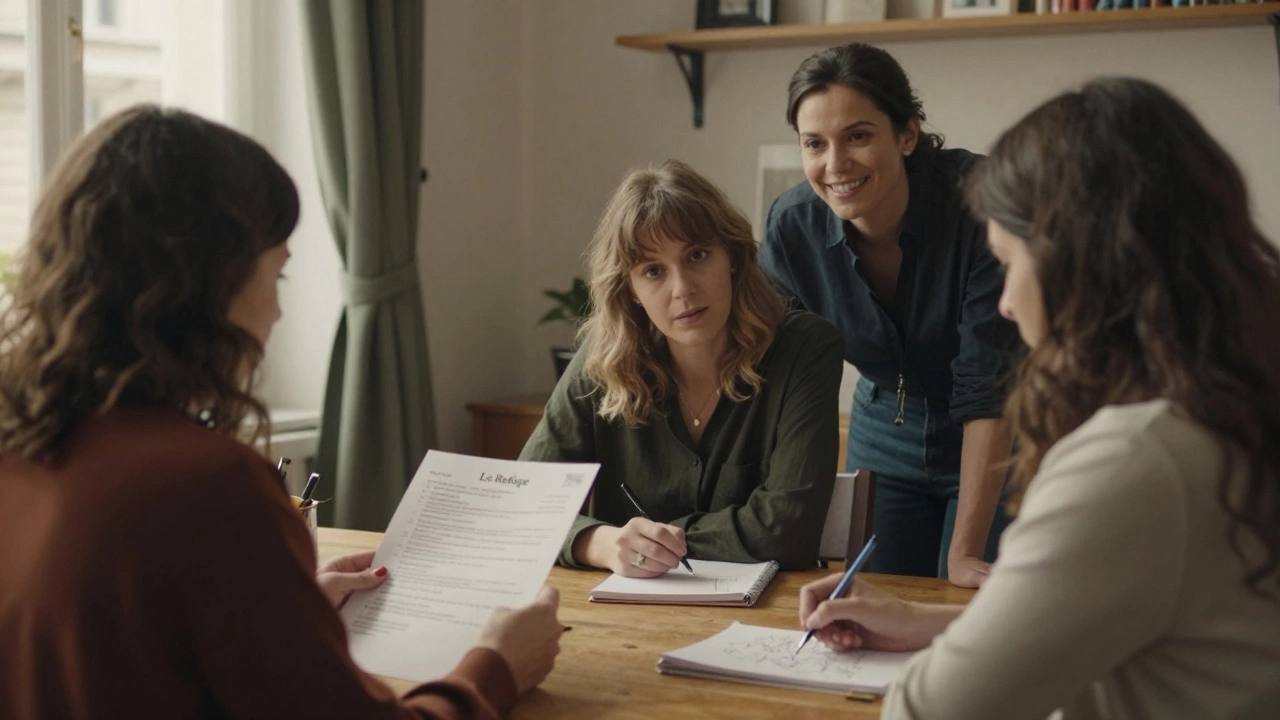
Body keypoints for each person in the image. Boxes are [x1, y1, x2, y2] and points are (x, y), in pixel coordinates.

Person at [0, 105, 564, 720]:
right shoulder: (208, 484)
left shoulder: (24, 442)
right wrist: (496, 666)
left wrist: (292, 614)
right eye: (279, 276)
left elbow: (122, 650)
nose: (277, 313)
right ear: (205, 287)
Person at [797, 78, 1280, 719]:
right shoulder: (1227, 409)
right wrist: (926, 620)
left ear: (1075, 265)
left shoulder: (1132, 462)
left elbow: (931, 708)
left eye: (1008, 263)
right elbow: (1127, 631)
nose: (1005, 301)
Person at [759, 42, 1020, 587]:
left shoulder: (980, 205)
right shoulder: (792, 228)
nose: (835, 165)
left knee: (974, 605)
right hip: (882, 427)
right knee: (877, 602)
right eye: (815, 144)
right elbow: (778, 374)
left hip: (1000, 431)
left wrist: (965, 552)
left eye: (857, 136)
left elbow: (988, 384)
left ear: (907, 134)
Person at [520, 159, 843, 576]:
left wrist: (656, 543)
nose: (683, 289)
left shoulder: (805, 348)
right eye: (653, 270)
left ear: (732, 256)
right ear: (631, 290)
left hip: (767, 620)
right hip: (623, 622)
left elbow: (787, 531)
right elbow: (526, 503)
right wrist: (600, 543)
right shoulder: (604, 358)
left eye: (697, 255)